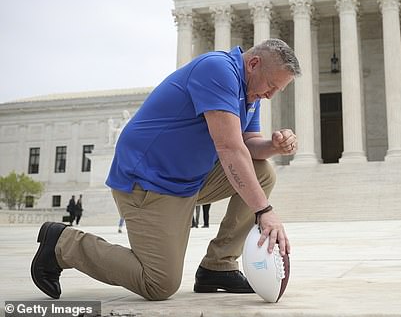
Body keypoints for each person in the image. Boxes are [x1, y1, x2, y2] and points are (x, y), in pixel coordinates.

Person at [31, 39, 301, 301]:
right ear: (253, 63)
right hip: (148, 182)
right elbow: (230, 148)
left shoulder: (249, 91)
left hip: (187, 180)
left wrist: (273, 146)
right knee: (159, 283)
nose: (270, 95)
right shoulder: (218, 70)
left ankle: (218, 266)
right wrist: (264, 211)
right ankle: (63, 243)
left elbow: (248, 145)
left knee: (263, 171)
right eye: (271, 86)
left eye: (278, 91)